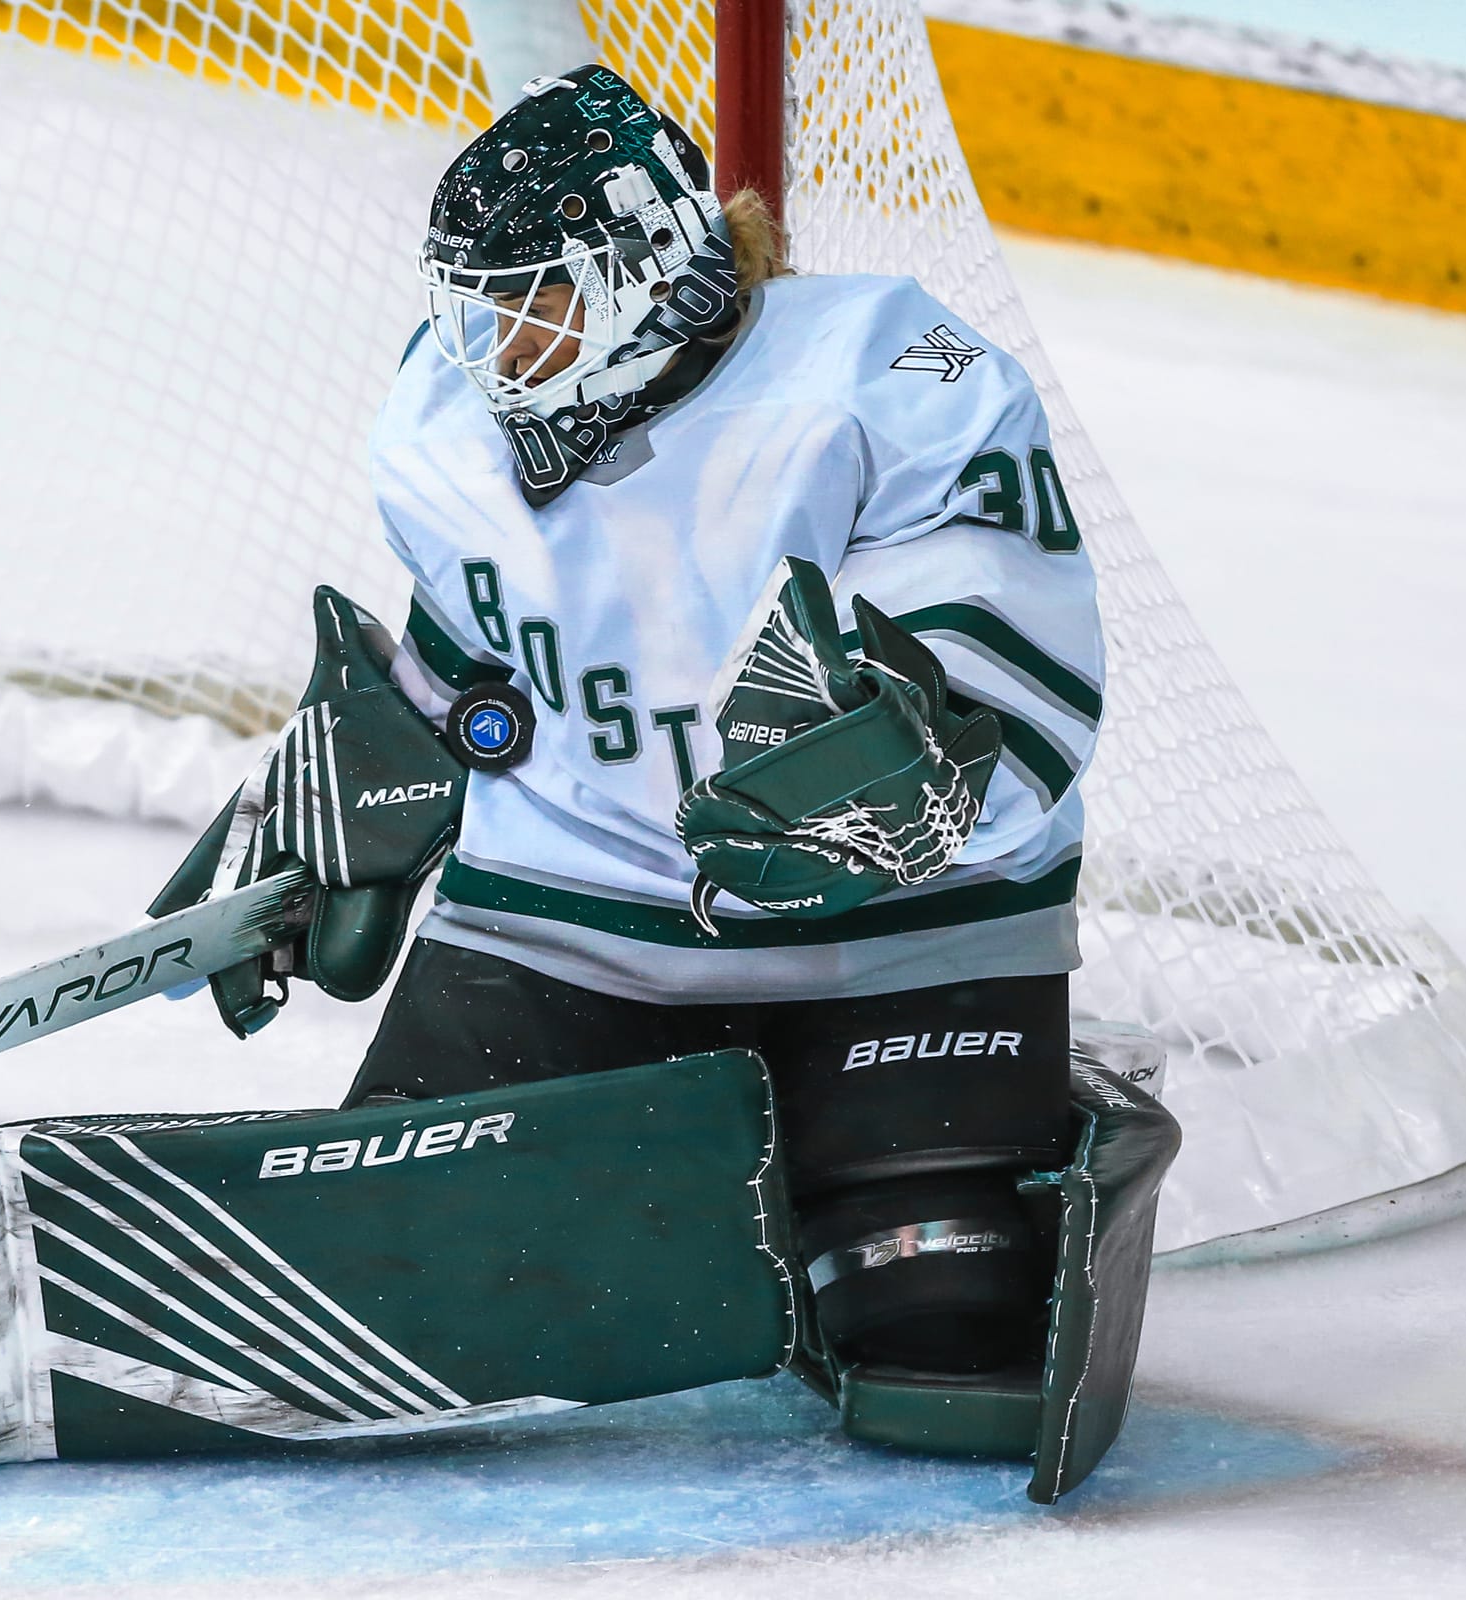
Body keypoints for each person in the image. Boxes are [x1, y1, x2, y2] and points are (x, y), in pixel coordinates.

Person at [180, 63, 1106, 1388]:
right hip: (576, 911)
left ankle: (899, 1190)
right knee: (394, 1257)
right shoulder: (450, 419)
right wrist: (382, 760)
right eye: (480, 308)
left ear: (649, 266)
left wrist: (921, 764)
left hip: (901, 940)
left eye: (533, 305)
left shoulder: (887, 378)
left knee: (938, 1333)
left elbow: (1006, 661)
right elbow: (482, 639)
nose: (497, 348)